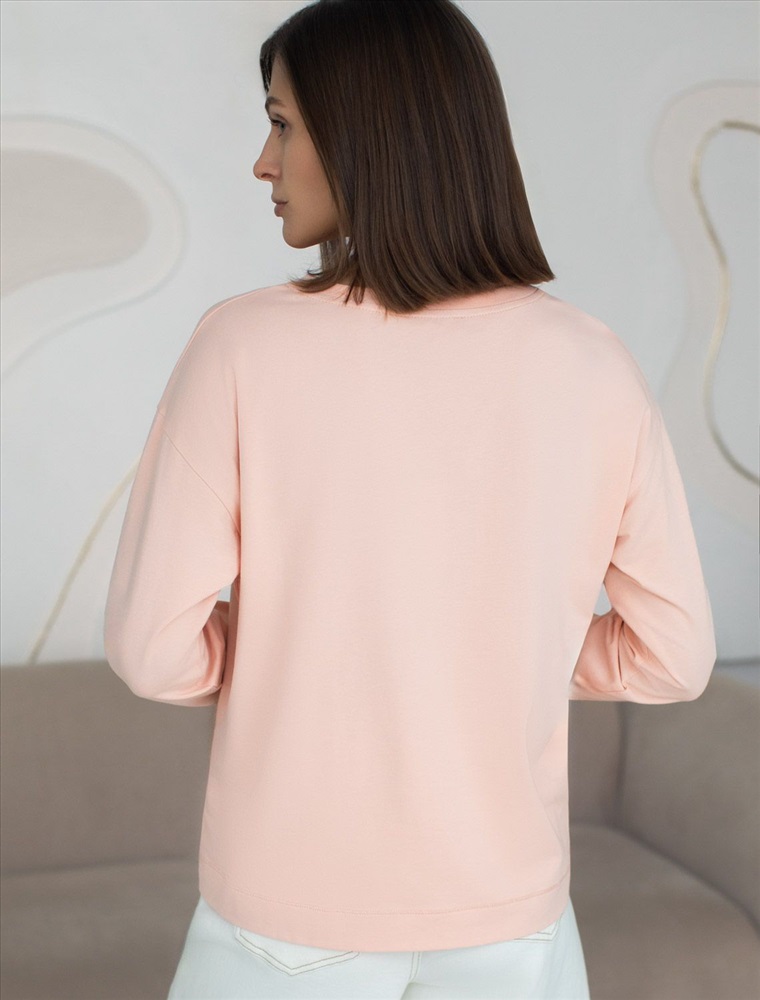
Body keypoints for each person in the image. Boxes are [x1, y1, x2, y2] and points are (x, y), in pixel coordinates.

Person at [103, 1, 717, 997]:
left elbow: (151, 647)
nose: (263, 163)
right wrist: (490, 662)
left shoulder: (242, 347)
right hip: (514, 926)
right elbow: (673, 655)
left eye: (282, 125)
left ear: (365, 135)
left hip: (293, 913)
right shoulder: (591, 362)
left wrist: (299, 658)